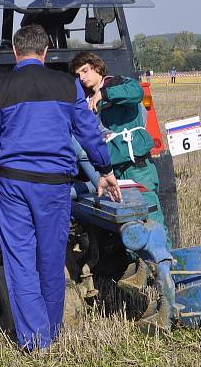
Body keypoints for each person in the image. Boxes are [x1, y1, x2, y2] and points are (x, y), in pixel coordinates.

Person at [0, 25, 121, 351]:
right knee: (51, 260)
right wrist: (105, 170)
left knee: (21, 261)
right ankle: (52, 334)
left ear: (15, 52)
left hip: (11, 186)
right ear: (45, 53)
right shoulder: (68, 86)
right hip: (55, 185)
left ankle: (36, 341)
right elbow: (89, 133)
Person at [69, 52, 170, 245]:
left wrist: (104, 94)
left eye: (85, 70)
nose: (82, 77)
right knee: (128, 227)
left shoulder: (117, 84)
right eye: (78, 74)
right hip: (113, 172)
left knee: (151, 220)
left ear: (97, 67)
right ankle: (140, 270)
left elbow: (137, 93)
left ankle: (165, 268)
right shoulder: (84, 102)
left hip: (136, 167)